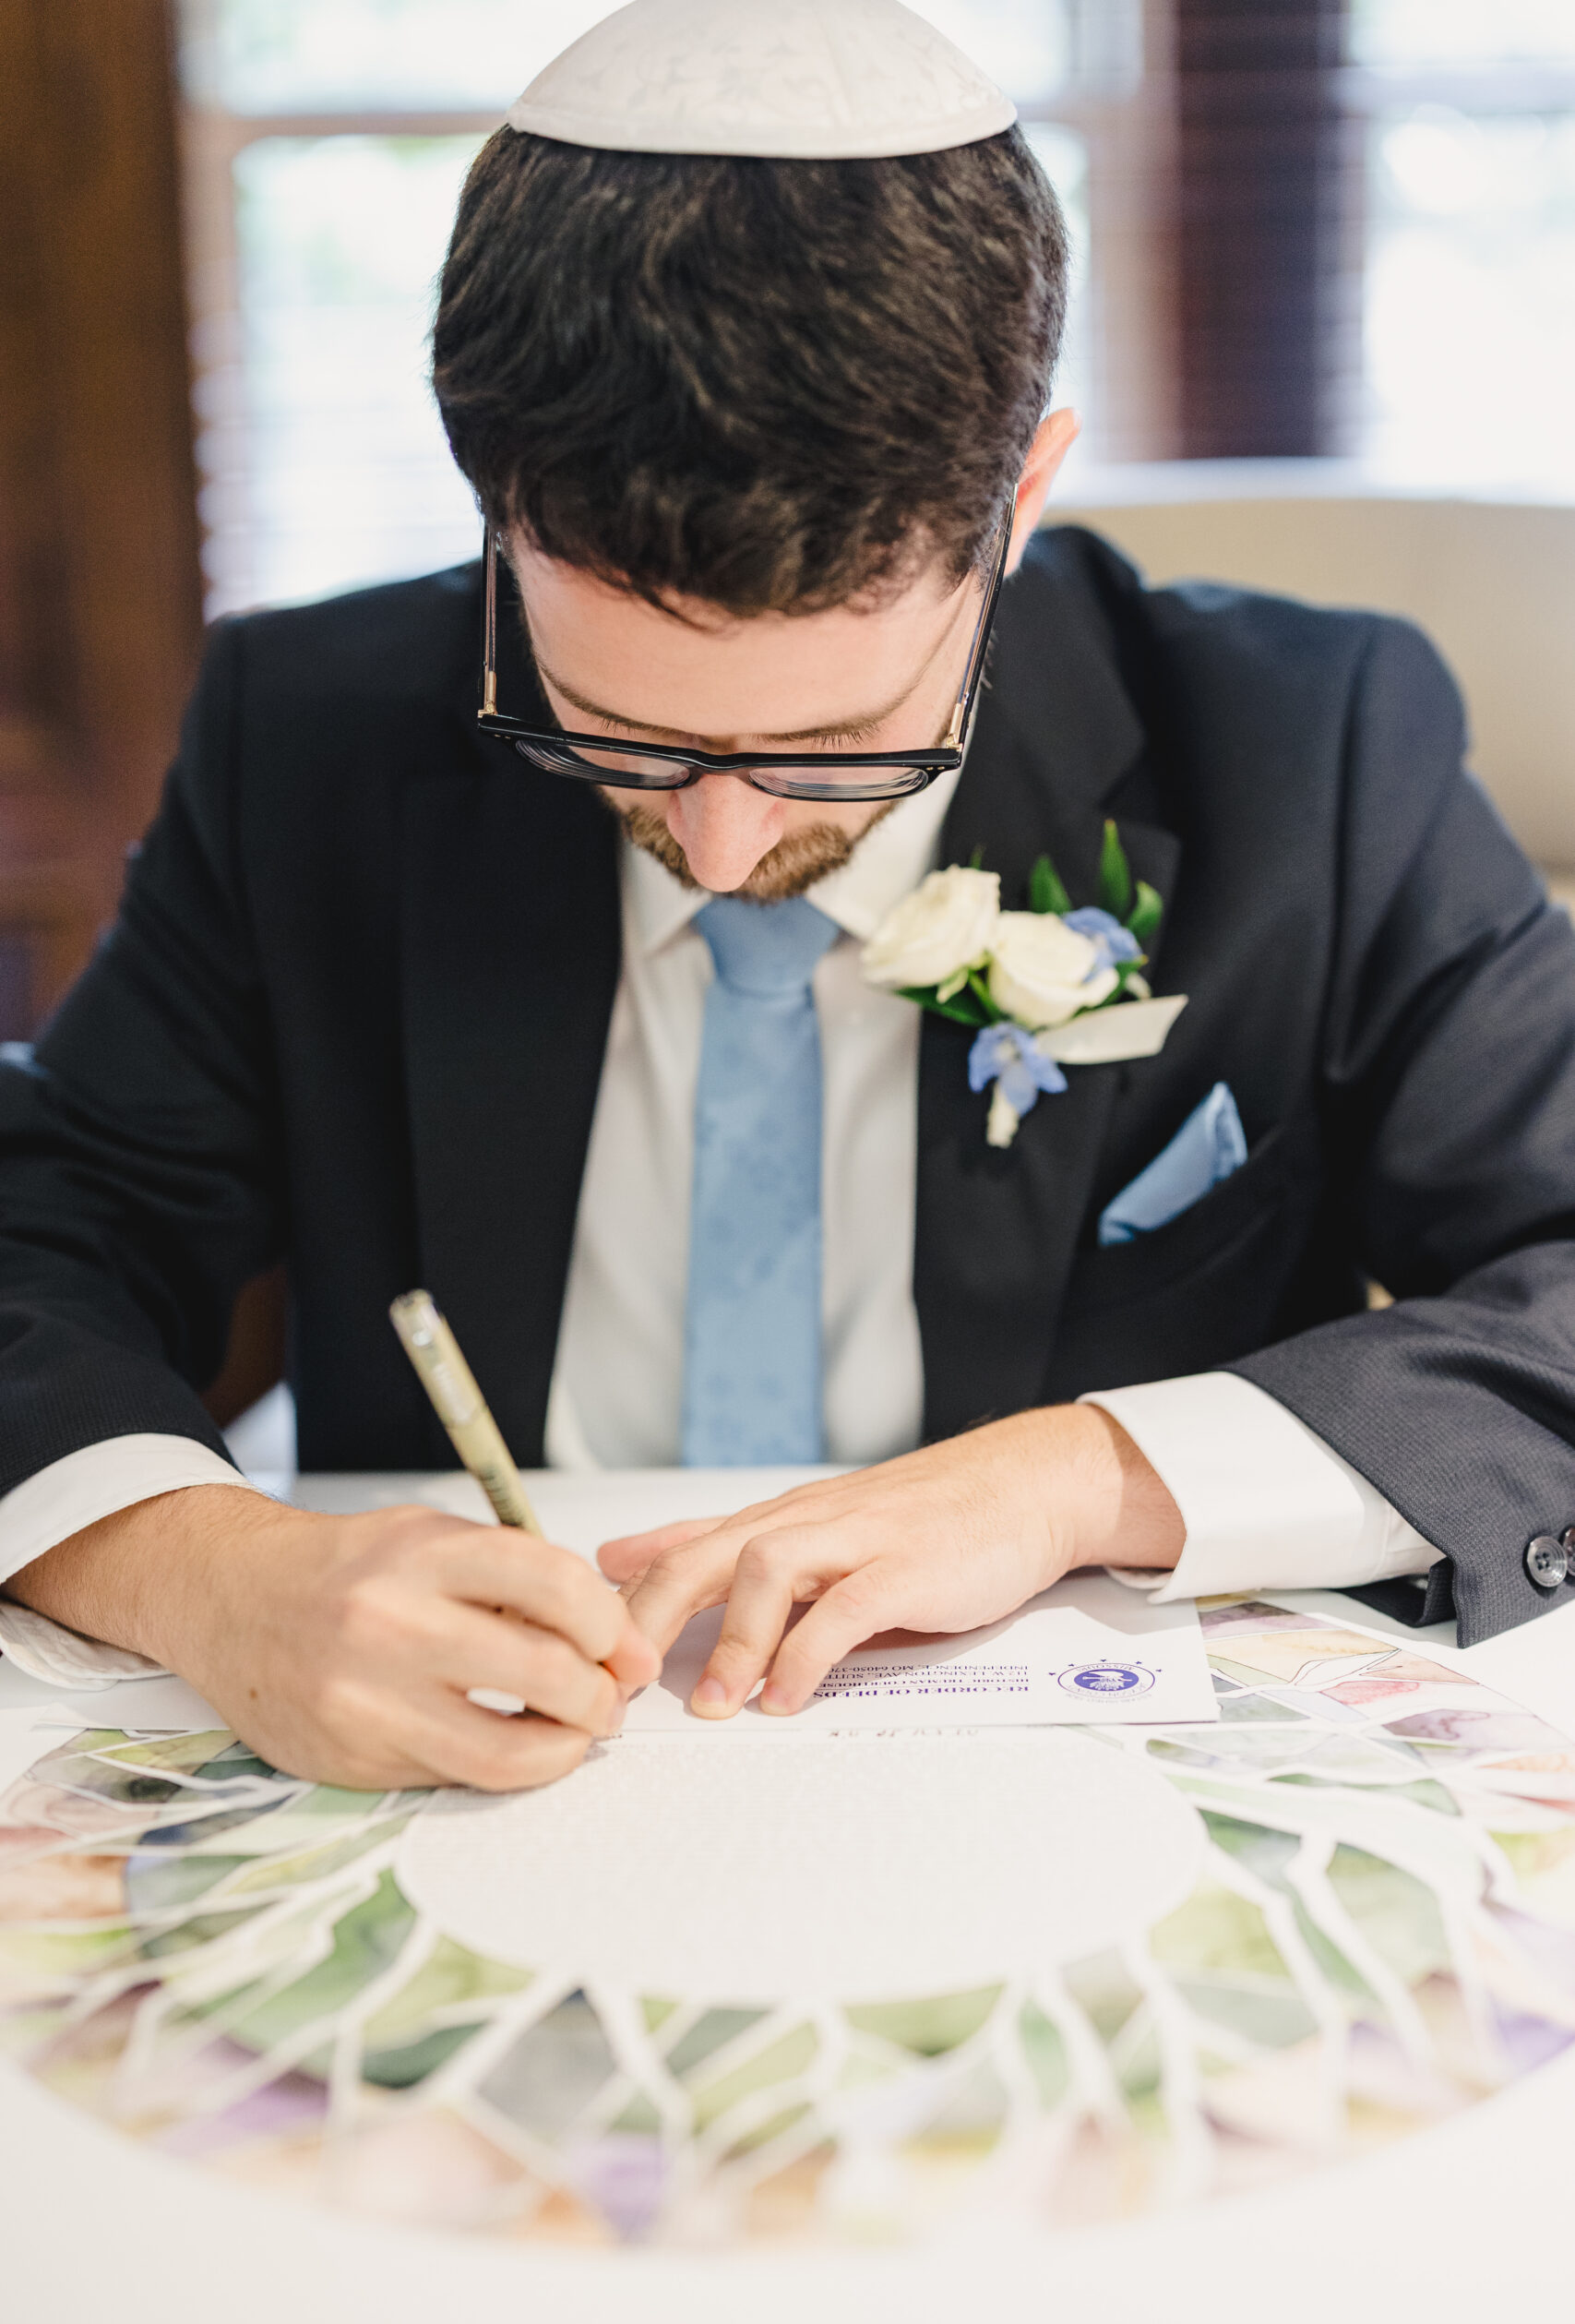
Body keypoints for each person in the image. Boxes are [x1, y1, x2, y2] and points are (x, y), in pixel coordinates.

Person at [5, 0, 1575, 1793]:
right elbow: (40, 1224)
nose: (728, 846)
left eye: (836, 743)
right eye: (611, 729)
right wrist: (210, 1573)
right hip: (474, 1777)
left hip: (1071, 1770)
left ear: (1018, 503)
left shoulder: (1306, 751)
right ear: (496, 519)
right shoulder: (312, 734)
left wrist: (1081, 1474)